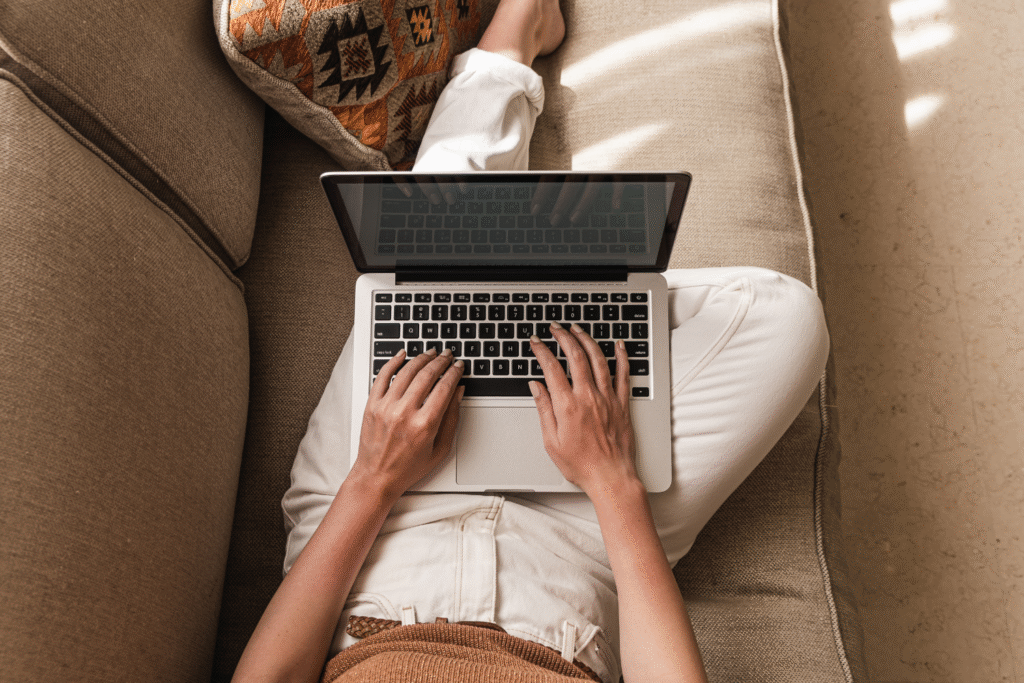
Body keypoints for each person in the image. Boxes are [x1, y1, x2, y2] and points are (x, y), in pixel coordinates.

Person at [231, 0, 830, 681]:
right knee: (786, 319)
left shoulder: (375, 484)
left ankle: (515, 39)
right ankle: (578, 297)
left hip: (378, 531)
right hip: (577, 558)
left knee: (435, 255)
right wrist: (611, 478)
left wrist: (374, 474)